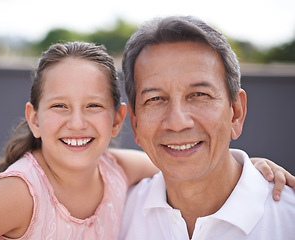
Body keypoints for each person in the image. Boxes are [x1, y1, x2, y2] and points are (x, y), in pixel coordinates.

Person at [0, 41, 292, 240]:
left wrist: (252, 169)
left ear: (118, 119)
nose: (77, 122)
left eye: (93, 106)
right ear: (34, 119)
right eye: (60, 106)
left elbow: (187, 159)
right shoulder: (18, 194)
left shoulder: (116, 170)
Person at [120, 15, 295, 239]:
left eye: (199, 95)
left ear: (236, 113)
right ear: (135, 123)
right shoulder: (115, 214)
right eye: (155, 99)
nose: (177, 122)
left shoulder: (289, 219)